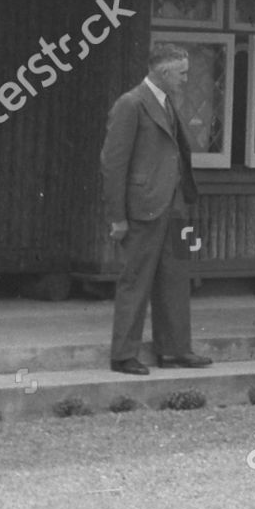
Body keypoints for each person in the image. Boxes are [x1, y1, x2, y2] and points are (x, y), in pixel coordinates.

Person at [103, 42, 210, 374]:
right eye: (181, 73)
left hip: (175, 207)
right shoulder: (131, 104)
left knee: (177, 276)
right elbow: (113, 164)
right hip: (144, 208)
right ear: (163, 72)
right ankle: (123, 355)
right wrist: (117, 217)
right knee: (135, 279)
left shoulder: (166, 102)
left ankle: (176, 349)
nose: (185, 80)